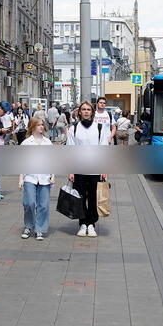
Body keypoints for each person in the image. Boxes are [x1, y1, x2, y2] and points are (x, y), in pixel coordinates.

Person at [66, 101, 110, 237]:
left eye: (88, 109)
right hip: (79, 169)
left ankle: (91, 224)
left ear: (92, 112)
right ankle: (82, 223)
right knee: (79, 197)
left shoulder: (100, 128)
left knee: (93, 197)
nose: (86, 111)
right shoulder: (73, 128)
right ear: (79, 112)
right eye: (83, 109)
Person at [18, 116, 54, 240]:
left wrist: (52, 175)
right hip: (30, 176)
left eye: (42, 125)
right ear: (32, 126)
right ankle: (28, 225)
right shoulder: (26, 143)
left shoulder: (47, 142)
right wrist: (20, 179)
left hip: (44, 177)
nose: (41, 127)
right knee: (29, 203)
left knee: (43, 205)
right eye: (39, 125)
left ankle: (40, 229)